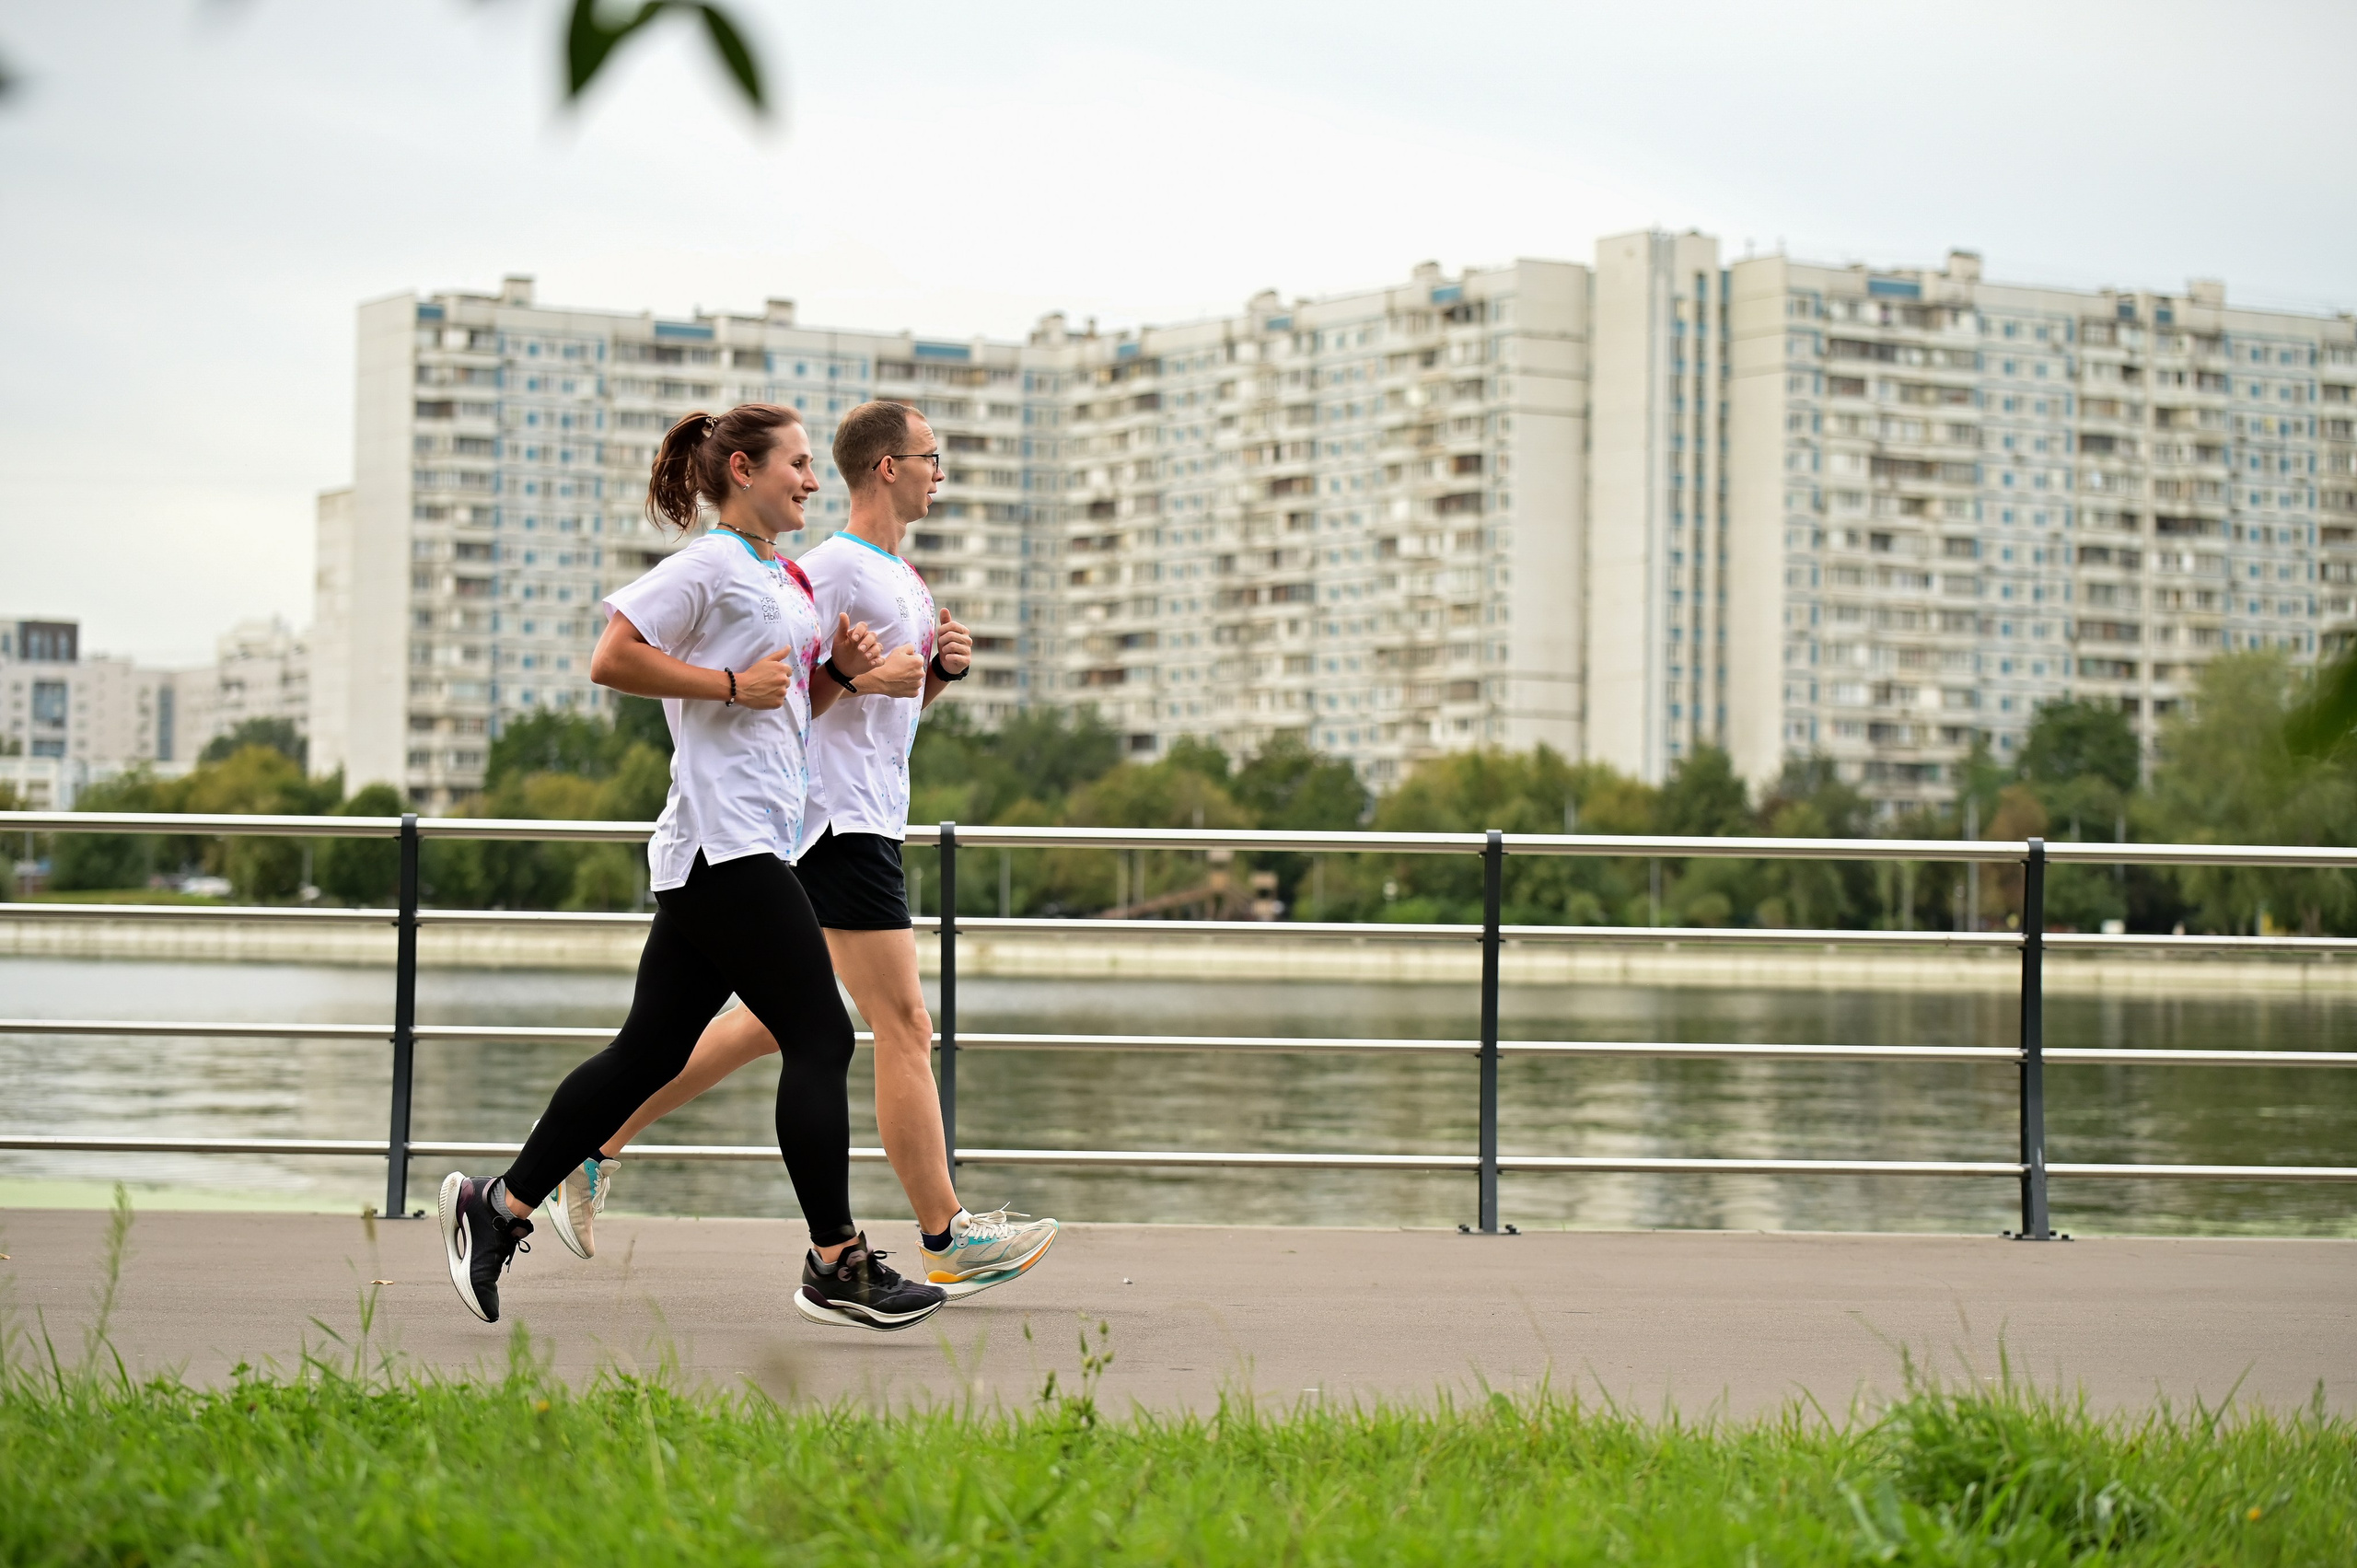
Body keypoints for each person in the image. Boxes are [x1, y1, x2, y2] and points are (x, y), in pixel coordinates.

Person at [436, 402, 946, 1334]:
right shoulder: (711, 563)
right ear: (743, 469)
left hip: (750, 837)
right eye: (795, 463)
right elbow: (614, 657)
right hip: (725, 843)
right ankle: (838, 1260)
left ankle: (497, 1207)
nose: (807, 479)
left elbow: (783, 703)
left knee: (651, 1050)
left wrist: (838, 673)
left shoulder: (783, 575)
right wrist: (722, 684)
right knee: (822, 1037)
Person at [559, 401, 1060, 1301]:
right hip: (827, 821)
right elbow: (800, 687)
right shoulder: (822, 566)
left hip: (863, 814)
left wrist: (933, 676)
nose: (939, 470)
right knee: (900, 1022)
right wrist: (836, 678)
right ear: (886, 467)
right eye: (930, 455)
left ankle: (590, 1145)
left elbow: (867, 706)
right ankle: (941, 1235)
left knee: (770, 1025)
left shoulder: (899, 575)